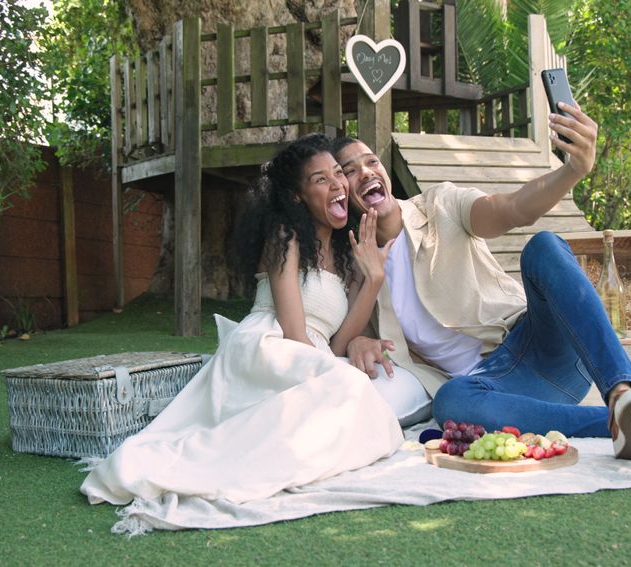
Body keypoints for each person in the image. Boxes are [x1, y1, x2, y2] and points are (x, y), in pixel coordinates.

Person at [333, 103, 631, 460]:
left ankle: (624, 392)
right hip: (494, 390)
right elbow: (348, 339)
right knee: (451, 404)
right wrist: (358, 339)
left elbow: (512, 209)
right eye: (349, 172)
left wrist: (573, 170)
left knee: (543, 246)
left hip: (537, 347)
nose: (365, 172)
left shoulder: (440, 204)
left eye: (371, 162)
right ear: (342, 193)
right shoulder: (359, 270)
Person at [81, 134, 403, 505]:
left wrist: (373, 279)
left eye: (337, 175)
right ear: (297, 195)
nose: (337, 185)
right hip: (270, 346)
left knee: (358, 396)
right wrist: (327, 374)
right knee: (347, 386)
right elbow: (295, 332)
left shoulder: (351, 252)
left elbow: (336, 344)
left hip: (313, 357)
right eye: (321, 179)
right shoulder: (285, 236)